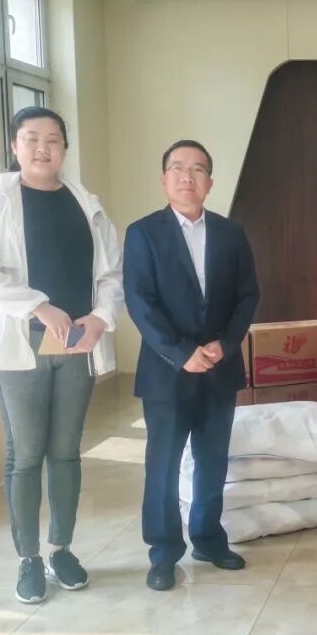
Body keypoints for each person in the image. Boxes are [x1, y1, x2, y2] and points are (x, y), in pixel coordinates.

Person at [0, 106, 124, 604]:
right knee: (27, 454)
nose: (42, 148)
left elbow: (112, 273)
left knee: (67, 451)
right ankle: (28, 559)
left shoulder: (85, 203)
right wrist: (37, 305)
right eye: (31, 138)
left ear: (64, 149)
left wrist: (101, 317)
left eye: (52, 139)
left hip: (75, 344)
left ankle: (61, 550)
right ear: (15, 146)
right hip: (21, 344)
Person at [123, 139, 259, 591]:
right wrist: (182, 352)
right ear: (164, 180)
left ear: (210, 183)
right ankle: (163, 552)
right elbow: (140, 302)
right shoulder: (143, 233)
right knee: (162, 465)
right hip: (167, 372)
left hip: (220, 367)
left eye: (197, 169)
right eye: (178, 168)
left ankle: (208, 538)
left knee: (212, 460)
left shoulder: (230, 233)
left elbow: (247, 295)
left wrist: (226, 343)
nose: (187, 177)